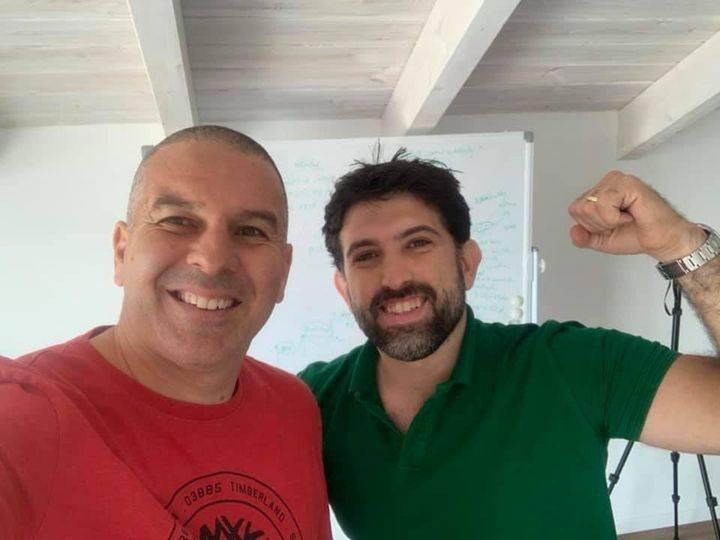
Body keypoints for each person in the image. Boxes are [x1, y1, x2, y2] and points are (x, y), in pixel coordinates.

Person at [299, 150, 720, 539]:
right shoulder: (311, 403)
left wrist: (680, 244)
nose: (394, 277)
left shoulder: (568, 363)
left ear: (466, 264)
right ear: (345, 288)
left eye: (418, 243)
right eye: (366, 255)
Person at [0, 126, 332, 539]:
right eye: (177, 221)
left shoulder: (295, 409)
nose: (212, 259)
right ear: (122, 251)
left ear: (282, 272)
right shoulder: (23, 416)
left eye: (251, 231)